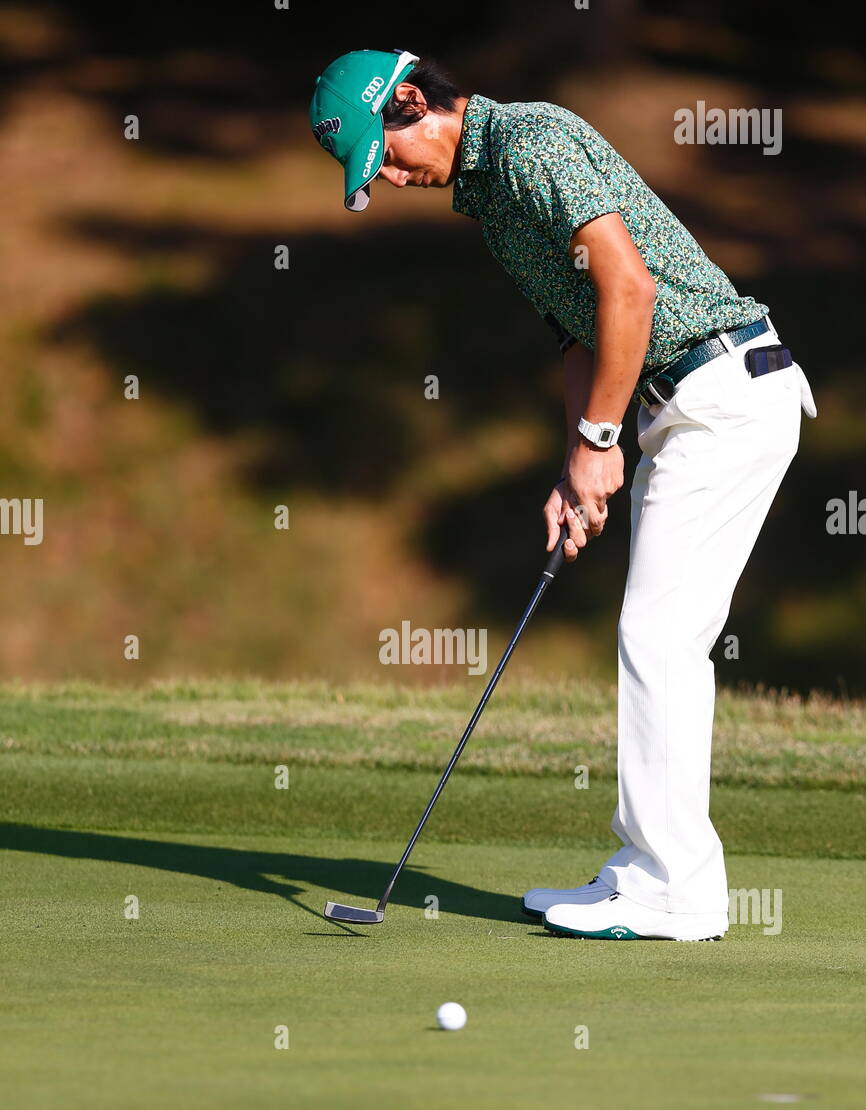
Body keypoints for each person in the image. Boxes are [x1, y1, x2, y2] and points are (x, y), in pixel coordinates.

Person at [309, 48, 817, 942]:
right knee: (656, 636)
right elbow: (581, 337)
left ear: (417, 100)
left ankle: (677, 890)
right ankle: (647, 869)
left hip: (724, 394)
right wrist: (575, 464)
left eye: (386, 156)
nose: (390, 177)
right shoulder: (493, 199)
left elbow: (631, 287)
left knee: (657, 637)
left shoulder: (531, 143)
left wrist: (600, 442)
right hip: (682, 408)